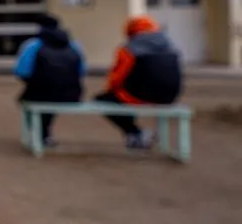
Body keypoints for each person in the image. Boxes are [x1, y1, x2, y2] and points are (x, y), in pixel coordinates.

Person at [96, 15, 183, 149]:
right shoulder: (171, 46)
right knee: (122, 97)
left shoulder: (129, 49)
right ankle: (135, 134)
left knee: (104, 100)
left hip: (139, 96)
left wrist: (109, 90)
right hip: (169, 96)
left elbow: (117, 77)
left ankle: (134, 132)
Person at [14, 14, 86, 146]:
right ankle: (44, 134)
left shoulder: (33, 45)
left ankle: (38, 133)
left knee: (28, 100)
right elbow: (81, 71)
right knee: (51, 98)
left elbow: (22, 71)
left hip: (39, 93)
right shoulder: (75, 45)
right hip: (71, 95)